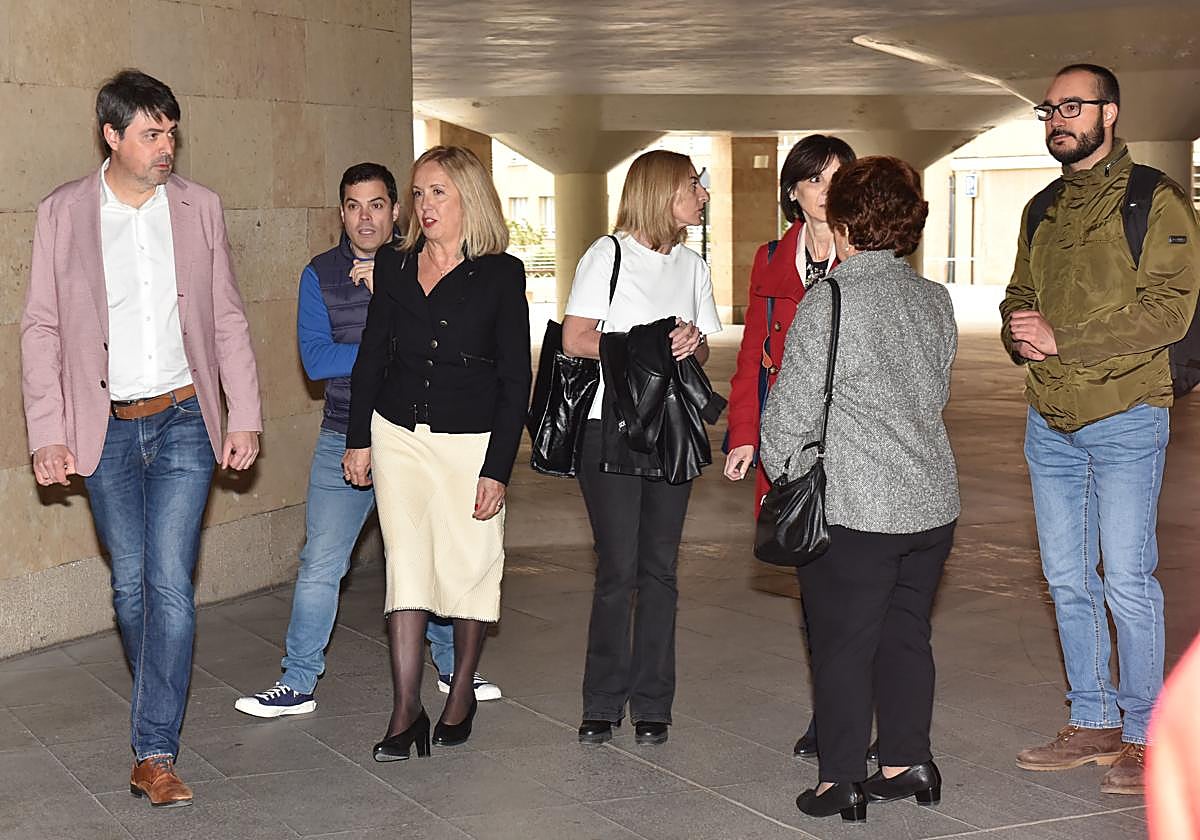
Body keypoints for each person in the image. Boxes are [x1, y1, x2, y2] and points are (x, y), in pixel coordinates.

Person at [20, 70, 262, 807]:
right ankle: (157, 690)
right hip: (107, 430)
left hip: (187, 416)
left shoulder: (199, 208)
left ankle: (154, 750)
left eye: (172, 132)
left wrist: (244, 412)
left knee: (169, 586)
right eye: (152, 134)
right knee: (131, 589)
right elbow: (42, 326)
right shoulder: (63, 212)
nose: (167, 147)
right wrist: (47, 433)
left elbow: (226, 316)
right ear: (112, 136)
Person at [234, 163, 501, 719]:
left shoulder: (413, 267)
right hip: (344, 435)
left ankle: (454, 670)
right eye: (354, 206)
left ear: (395, 210)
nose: (365, 217)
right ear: (341, 213)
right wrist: (387, 349)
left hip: (418, 437)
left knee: (435, 557)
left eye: (377, 204)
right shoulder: (321, 275)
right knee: (320, 562)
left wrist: (394, 328)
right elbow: (316, 360)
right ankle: (297, 681)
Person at [1000, 64, 1200, 796]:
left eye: (1073, 106)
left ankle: (1147, 733)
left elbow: (1169, 312)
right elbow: (1020, 294)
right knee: (1064, 578)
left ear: (1109, 114)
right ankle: (1092, 720)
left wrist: (1063, 337)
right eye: (1049, 108)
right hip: (1049, 421)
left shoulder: (1156, 198)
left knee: (1129, 581)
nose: (1059, 118)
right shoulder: (1040, 208)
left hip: (1125, 415)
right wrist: (1017, 333)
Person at [760, 156, 959, 822]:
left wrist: (786, 468)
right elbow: (934, 393)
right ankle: (907, 763)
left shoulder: (831, 297)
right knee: (907, 634)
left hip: (856, 508)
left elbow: (789, 411)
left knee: (843, 643)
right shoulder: (935, 298)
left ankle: (839, 780)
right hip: (930, 503)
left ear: (843, 220)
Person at [343, 146, 530, 761]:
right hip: (399, 435)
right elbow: (372, 356)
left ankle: (459, 698)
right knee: (407, 568)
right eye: (419, 193)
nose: (424, 205)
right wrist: (359, 437)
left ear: (469, 198)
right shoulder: (395, 268)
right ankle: (405, 712)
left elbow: (514, 382)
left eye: (438, 192)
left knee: (469, 567)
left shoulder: (501, 274)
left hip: (470, 441)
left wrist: (497, 469)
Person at [562, 149, 722, 747]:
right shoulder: (607, 255)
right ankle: (602, 702)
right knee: (618, 570)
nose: (703, 195)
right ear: (662, 191)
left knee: (661, 570)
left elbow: (703, 348)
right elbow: (578, 338)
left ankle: (654, 702)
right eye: (693, 186)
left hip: (673, 427)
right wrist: (651, 342)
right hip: (613, 426)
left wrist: (689, 342)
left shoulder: (692, 265)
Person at [723, 134, 861, 761]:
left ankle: (851, 714)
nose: (827, 189)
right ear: (794, 191)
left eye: (840, 176)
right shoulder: (770, 259)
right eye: (815, 178)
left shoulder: (869, 256)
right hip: (793, 448)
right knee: (815, 588)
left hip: (859, 443)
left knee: (859, 588)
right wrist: (745, 435)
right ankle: (829, 712)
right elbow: (752, 353)